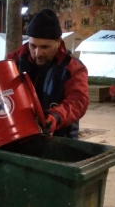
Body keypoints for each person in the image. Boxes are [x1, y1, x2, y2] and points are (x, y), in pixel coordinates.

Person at [6, 8, 89, 139]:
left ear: (58, 42)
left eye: (45, 47)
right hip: (21, 137)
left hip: (60, 140)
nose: (38, 54)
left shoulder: (73, 68)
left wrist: (55, 116)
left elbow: (78, 101)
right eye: (33, 46)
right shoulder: (13, 61)